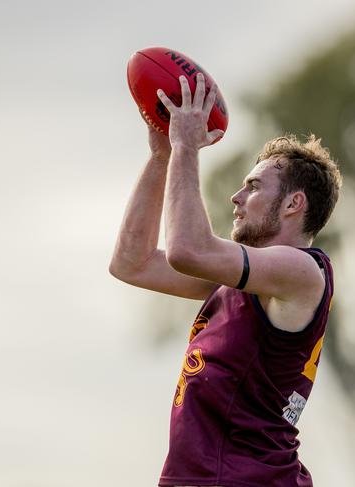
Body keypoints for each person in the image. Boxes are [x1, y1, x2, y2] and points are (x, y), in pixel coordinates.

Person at [109, 73, 343, 486]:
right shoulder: (241, 281)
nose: (236, 198)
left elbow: (187, 249)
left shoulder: (302, 271)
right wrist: (162, 155)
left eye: (252, 187)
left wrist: (186, 145)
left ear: (293, 203)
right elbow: (132, 262)